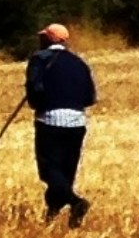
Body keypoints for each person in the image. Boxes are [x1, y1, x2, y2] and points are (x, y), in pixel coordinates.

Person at [25, 22, 96, 225]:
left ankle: (76, 202)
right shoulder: (79, 63)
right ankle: (53, 214)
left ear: (48, 39)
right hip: (77, 122)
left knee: (49, 170)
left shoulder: (39, 60)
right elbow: (90, 97)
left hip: (50, 121)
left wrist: (37, 102)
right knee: (66, 171)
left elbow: (35, 90)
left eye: (42, 37)